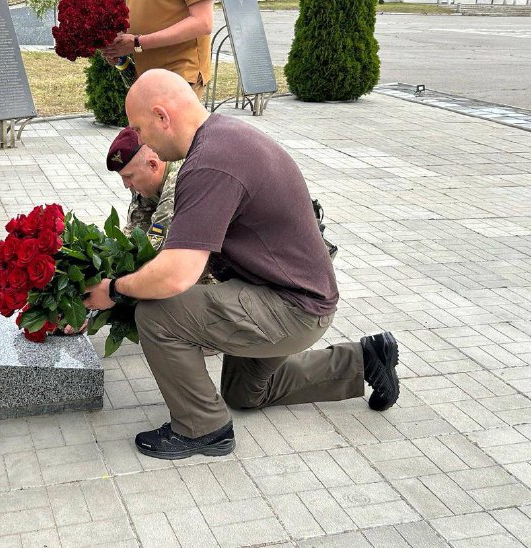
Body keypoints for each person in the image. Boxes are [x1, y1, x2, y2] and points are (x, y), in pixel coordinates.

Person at [83, 70, 400, 460]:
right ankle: (364, 360)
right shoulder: (220, 138)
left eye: (139, 128)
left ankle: (203, 428)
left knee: (158, 314)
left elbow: (177, 273)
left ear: (162, 116)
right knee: (245, 393)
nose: (140, 138)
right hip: (288, 293)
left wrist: (114, 290)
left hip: (294, 307)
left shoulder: (209, 164)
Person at [101, 0, 213, 99]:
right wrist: (118, 43)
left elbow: (203, 23)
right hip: (145, 75)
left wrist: (137, 43)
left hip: (180, 73)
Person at [106, 126, 182, 250]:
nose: (126, 185)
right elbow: (135, 231)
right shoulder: (147, 184)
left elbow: (151, 249)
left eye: (129, 176)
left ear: (153, 165)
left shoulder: (178, 183)